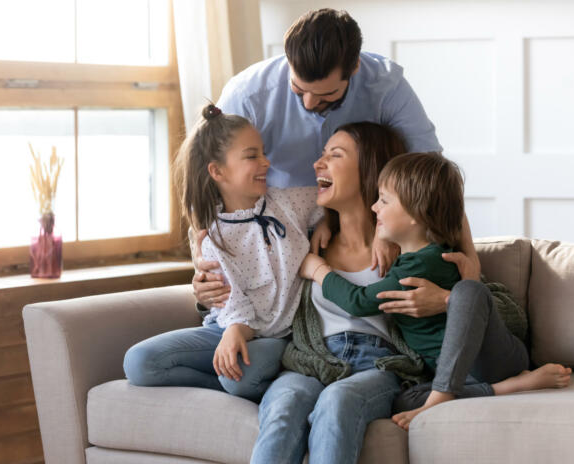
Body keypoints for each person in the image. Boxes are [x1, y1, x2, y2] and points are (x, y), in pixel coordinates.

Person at [194, 7, 483, 308]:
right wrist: (203, 263)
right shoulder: (248, 94)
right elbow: (207, 184)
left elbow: (435, 179)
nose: (308, 103)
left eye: (325, 95)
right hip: (275, 232)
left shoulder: (387, 87)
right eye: (298, 89)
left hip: (365, 223)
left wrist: (469, 264)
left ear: (354, 68)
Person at [300, 152, 572, 431]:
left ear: (417, 214)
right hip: (457, 375)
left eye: (383, 200)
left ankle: (448, 393)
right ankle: (501, 388)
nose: (373, 207)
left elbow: (357, 302)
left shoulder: (430, 260)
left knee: (469, 291)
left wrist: (319, 270)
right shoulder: (407, 261)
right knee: (404, 399)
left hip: (492, 358)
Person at [123, 104, 324, 402]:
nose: (266, 162)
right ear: (217, 171)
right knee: (139, 363)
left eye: (263, 152)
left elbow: (332, 198)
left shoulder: (288, 203)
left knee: (241, 376)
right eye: (252, 156)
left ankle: (249, 379)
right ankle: (228, 385)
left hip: (275, 337)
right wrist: (235, 332)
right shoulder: (209, 233)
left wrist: (328, 221)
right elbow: (229, 299)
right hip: (227, 328)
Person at [250, 122, 421, 464]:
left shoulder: (408, 242)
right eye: (322, 154)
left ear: (370, 169)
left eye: (335, 155)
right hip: (311, 360)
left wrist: (448, 296)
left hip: (378, 365)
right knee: (284, 406)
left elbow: (470, 293)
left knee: (339, 400)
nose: (318, 163)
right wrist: (206, 286)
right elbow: (247, 268)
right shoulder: (304, 239)